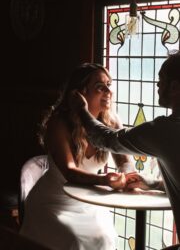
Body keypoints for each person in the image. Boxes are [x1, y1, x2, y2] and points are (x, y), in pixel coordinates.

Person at [20, 63, 138, 250]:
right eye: (100, 86)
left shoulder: (111, 121)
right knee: (74, 241)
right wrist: (105, 180)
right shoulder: (59, 123)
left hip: (88, 202)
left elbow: (125, 160)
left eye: (109, 84)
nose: (109, 91)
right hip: (54, 203)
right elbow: (69, 171)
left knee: (105, 237)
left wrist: (128, 175)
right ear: (79, 94)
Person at [70, 51, 180, 241]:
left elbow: (105, 139)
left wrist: (81, 109)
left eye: (160, 79)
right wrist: (151, 183)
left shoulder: (165, 130)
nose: (157, 85)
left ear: (174, 87)